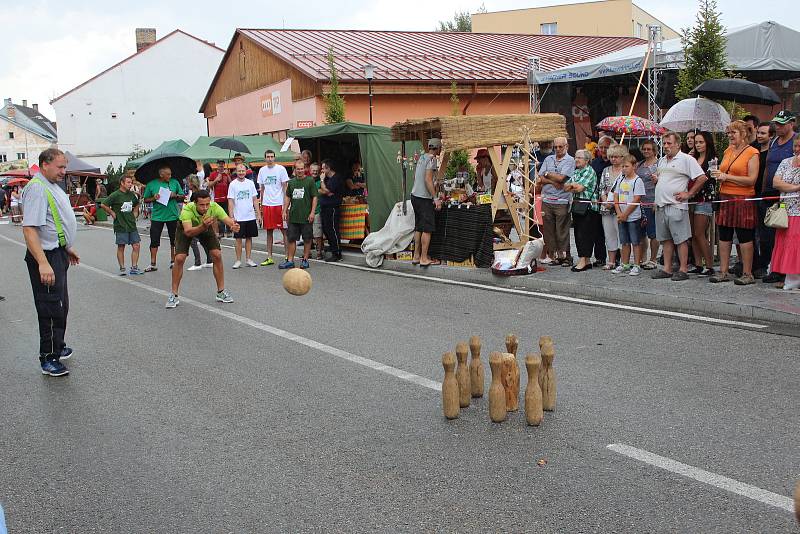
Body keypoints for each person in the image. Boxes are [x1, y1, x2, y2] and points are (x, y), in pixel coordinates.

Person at [20, 148, 80, 377]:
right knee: (50, 307)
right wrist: (43, 263)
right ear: (45, 164)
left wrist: (66, 247)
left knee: (60, 304)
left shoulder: (51, 186)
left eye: (65, 167)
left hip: (57, 253)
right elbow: (30, 230)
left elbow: (53, 223)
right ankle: (48, 357)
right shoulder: (37, 188)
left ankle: (59, 345)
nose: (64, 171)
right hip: (45, 257)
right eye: (60, 167)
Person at [167, 190, 239, 308]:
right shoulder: (187, 209)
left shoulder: (214, 206)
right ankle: (173, 295)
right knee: (179, 258)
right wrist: (203, 226)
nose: (205, 208)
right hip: (188, 229)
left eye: (207, 204)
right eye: (201, 205)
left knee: (217, 255)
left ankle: (221, 292)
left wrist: (234, 225)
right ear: (195, 203)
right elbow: (189, 232)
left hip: (205, 226)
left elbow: (227, 220)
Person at [709, 120, 760, 285]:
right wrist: (718, 174)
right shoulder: (728, 150)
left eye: (734, 132)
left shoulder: (752, 153)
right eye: (729, 132)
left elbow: (751, 180)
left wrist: (727, 177)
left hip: (743, 198)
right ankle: (723, 271)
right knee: (724, 235)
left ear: (743, 134)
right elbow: (723, 170)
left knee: (745, 236)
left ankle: (747, 273)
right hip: (725, 196)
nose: (730, 136)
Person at [651, 132, 706, 281]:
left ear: (677, 144)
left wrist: (689, 194)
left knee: (681, 239)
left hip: (676, 205)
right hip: (661, 204)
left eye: (669, 143)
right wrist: (657, 180)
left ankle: (683, 269)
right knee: (666, 239)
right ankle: (667, 268)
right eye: (664, 143)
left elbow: (701, 178)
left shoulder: (686, 159)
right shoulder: (662, 161)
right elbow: (665, 179)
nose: (666, 146)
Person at [759, 111, 796, 285]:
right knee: (768, 234)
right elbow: (768, 166)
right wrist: (763, 188)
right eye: (777, 124)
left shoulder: (795, 142)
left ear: (792, 123)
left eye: (782, 124)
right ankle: (773, 267)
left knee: (785, 234)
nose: (778, 127)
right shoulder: (774, 141)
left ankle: (785, 271)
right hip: (769, 192)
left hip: (788, 197)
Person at [539, 137, 575, 266]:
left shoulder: (570, 160)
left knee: (562, 230)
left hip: (562, 200)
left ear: (566, 146)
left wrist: (548, 174)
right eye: (556, 147)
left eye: (561, 147)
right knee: (549, 230)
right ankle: (554, 256)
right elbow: (541, 177)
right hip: (547, 199)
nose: (558, 149)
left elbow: (562, 178)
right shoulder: (549, 159)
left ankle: (566, 256)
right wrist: (551, 179)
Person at [770, 134, 800, 290]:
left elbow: (782, 183)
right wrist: (795, 188)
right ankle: (789, 276)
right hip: (785, 208)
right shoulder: (785, 162)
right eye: (795, 146)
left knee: (796, 244)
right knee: (785, 243)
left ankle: (794, 279)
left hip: (798, 211)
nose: (797, 149)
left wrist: (786, 186)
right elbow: (776, 182)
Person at [142, 165, 183, 272]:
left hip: (173, 215)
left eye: (170, 174)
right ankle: (153, 263)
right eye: (168, 174)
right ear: (161, 174)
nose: (170, 176)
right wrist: (153, 198)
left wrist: (175, 195)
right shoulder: (151, 184)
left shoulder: (174, 182)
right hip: (157, 216)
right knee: (154, 240)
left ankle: (173, 261)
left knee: (174, 239)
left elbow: (183, 196)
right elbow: (145, 199)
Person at [100, 175, 143, 276]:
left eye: (131, 182)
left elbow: (137, 204)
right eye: (128, 182)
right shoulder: (115, 195)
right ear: (122, 183)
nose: (130, 184)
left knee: (136, 245)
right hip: (120, 224)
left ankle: (134, 267)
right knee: (121, 246)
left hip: (131, 224)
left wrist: (135, 213)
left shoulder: (131, 195)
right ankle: (122, 268)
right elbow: (103, 204)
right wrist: (111, 212)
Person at [564, 149, 599, 272]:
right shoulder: (577, 171)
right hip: (578, 207)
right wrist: (573, 186)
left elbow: (579, 188)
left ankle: (583, 260)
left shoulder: (589, 171)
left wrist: (573, 186)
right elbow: (565, 186)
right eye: (575, 157)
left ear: (587, 160)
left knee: (585, 234)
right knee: (578, 234)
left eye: (579, 157)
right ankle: (586, 260)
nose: (576, 160)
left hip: (588, 208)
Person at [612, 154, 646, 275]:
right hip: (622, 216)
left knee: (635, 241)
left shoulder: (637, 180)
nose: (624, 169)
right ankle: (625, 263)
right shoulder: (620, 179)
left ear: (634, 166)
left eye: (626, 166)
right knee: (624, 241)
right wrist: (619, 213)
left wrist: (626, 214)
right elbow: (615, 196)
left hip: (633, 217)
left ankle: (637, 264)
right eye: (622, 166)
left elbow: (637, 199)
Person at [687, 131, 715, 276]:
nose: (697, 145)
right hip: (690, 199)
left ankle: (709, 265)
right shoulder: (692, 158)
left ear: (707, 143)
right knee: (693, 234)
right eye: (696, 142)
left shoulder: (712, 160)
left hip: (704, 199)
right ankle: (698, 264)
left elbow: (710, 179)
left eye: (701, 142)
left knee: (700, 233)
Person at [281, 161, 319, 269]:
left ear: (304, 169)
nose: (300, 171)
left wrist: (312, 212)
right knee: (291, 239)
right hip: (293, 216)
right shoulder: (291, 182)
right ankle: (290, 260)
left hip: (306, 216)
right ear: (295, 170)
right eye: (298, 169)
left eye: (302, 169)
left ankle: (305, 260)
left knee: (307, 239)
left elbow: (315, 197)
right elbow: (288, 197)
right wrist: (284, 210)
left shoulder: (310, 181)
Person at [410, 140, 441, 266]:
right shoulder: (432, 159)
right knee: (427, 228)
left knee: (419, 227)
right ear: (438, 148)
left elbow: (416, 177)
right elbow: (428, 180)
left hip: (414, 196)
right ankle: (424, 258)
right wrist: (435, 198)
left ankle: (416, 256)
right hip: (424, 198)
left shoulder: (422, 157)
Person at [257, 149, 290, 265]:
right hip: (267, 205)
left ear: (274, 158)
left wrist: (286, 205)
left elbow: (285, 187)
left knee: (285, 231)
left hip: (279, 205)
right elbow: (262, 189)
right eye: (268, 157)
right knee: (269, 232)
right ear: (265, 158)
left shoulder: (281, 169)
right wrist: (261, 206)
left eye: (272, 156)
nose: (270, 159)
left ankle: (287, 256)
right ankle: (269, 257)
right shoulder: (262, 170)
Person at [598, 144, 626, 270]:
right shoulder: (606, 170)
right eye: (612, 157)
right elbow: (601, 189)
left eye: (616, 157)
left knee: (622, 235)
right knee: (609, 235)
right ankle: (611, 261)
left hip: (621, 208)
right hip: (606, 209)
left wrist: (615, 203)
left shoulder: (625, 171)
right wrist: (605, 202)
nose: (614, 159)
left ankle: (624, 261)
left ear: (622, 157)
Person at [228, 163, 261, 268]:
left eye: (243, 171)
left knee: (249, 238)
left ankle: (248, 259)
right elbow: (230, 201)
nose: (241, 173)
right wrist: (231, 216)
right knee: (238, 239)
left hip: (250, 216)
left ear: (246, 172)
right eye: (239, 171)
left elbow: (255, 200)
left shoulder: (250, 184)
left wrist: (259, 214)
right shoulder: (232, 184)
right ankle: (238, 260)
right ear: (236, 172)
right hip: (238, 216)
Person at [636, 140, 659, 269]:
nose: (646, 151)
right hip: (640, 202)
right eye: (644, 149)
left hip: (653, 201)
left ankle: (653, 258)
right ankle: (643, 258)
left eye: (649, 149)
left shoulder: (658, 164)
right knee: (641, 233)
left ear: (654, 150)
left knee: (653, 233)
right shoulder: (640, 165)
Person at [319, 158, 348, 262]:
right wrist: (325, 190)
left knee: (332, 229)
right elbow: (322, 190)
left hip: (333, 207)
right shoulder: (327, 179)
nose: (322, 171)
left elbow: (326, 190)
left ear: (328, 168)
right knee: (326, 229)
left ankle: (337, 253)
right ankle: (332, 247)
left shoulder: (336, 178)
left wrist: (322, 183)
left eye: (323, 168)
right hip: (324, 206)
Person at [184, 174, 213, 271]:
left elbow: (193, 208)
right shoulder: (198, 192)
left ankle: (198, 262)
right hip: (202, 219)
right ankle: (209, 260)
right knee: (203, 240)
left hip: (196, 220)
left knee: (193, 241)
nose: (188, 184)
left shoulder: (195, 195)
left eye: (189, 182)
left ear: (192, 183)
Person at [208, 160, 231, 236]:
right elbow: (209, 185)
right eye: (220, 165)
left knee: (227, 214)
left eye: (222, 165)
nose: (221, 167)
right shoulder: (213, 174)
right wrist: (216, 179)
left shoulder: (226, 174)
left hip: (226, 198)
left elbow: (231, 184)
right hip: (217, 198)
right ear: (217, 166)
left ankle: (228, 231)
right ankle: (221, 232)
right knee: (218, 216)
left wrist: (227, 175)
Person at [309, 163, 325, 260]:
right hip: (307, 211)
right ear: (310, 171)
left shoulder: (321, 182)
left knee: (317, 234)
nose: (314, 172)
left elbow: (324, 191)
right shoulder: (307, 181)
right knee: (307, 233)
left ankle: (319, 252)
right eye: (313, 170)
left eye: (316, 170)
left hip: (317, 211)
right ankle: (308, 252)